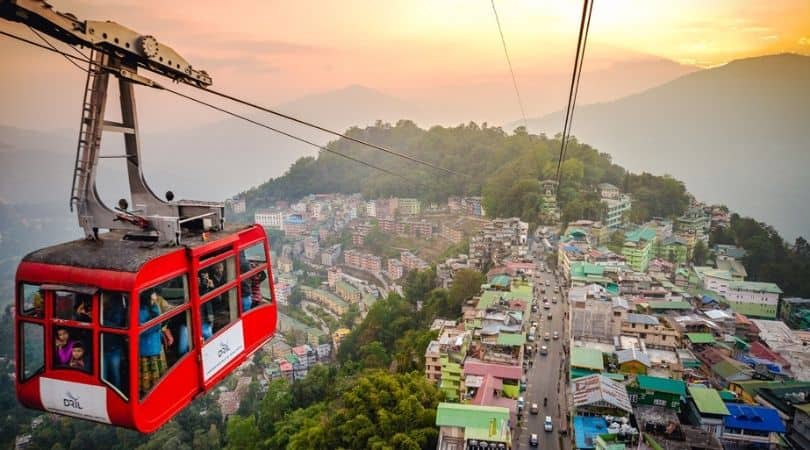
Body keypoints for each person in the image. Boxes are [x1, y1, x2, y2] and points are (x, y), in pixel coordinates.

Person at [139, 290, 174, 396]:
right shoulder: (149, 309)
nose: (155, 297)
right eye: (152, 296)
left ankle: (149, 392)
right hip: (151, 346)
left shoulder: (143, 309)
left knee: (148, 373)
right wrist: (158, 327)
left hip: (148, 346)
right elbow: (150, 327)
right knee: (155, 372)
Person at [103, 294, 127, 391]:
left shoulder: (118, 307)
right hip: (100, 347)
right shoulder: (97, 304)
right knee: (103, 376)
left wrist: (96, 318)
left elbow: (117, 325)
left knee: (115, 375)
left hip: (114, 347)